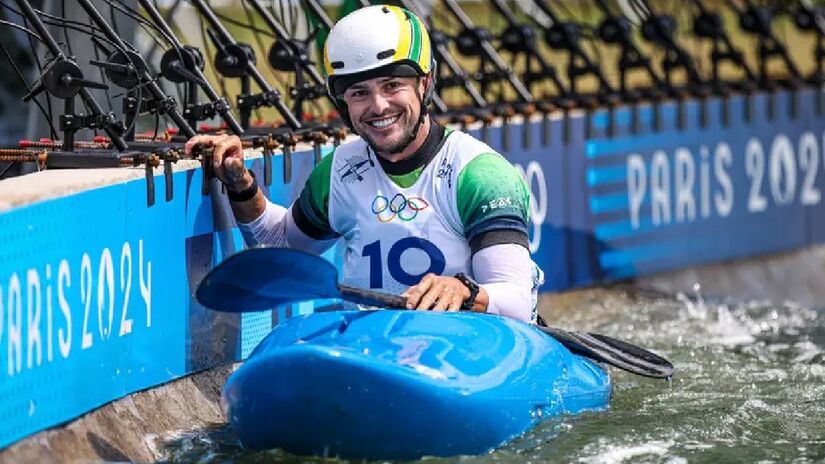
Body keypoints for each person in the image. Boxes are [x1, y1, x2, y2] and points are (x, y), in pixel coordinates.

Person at [185, 4, 542, 321]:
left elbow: (515, 304)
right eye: (359, 93)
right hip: (376, 349)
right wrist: (239, 181)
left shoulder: (479, 174)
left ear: (425, 83)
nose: (378, 106)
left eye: (392, 86)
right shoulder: (340, 170)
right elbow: (278, 245)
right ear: (343, 103)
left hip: (469, 348)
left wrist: (464, 290)